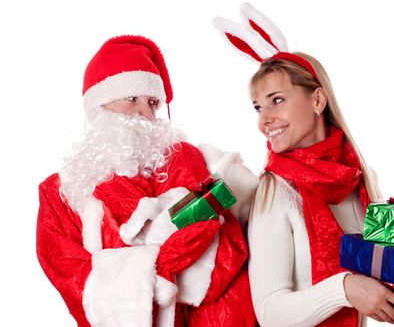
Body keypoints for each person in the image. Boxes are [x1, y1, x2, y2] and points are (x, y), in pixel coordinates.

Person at [213, 3, 394, 327]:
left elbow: (381, 269)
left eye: (277, 100)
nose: (264, 120)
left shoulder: (358, 179)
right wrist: (345, 289)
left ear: (318, 100)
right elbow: (270, 313)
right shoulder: (276, 191)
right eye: (258, 107)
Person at [36, 35, 258, 327]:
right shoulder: (61, 190)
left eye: (152, 102)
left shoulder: (184, 159)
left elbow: (225, 250)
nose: (144, 112)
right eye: (131, 99)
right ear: (99, 104)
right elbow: (71, 276)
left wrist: (139, 267)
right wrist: (160, 268)